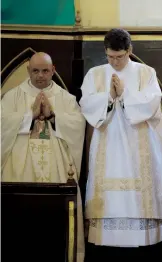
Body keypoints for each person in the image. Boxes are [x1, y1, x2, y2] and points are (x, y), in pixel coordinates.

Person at [79, 28, 162, 251]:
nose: (115, 62)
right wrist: (109, 97)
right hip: (108, 139)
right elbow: (86, 104)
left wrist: (124, 95)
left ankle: (142, 240)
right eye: (110, 57)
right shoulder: (95, 74)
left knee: (138, 197)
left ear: (129, 50)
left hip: (138, 142)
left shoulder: (146, 72)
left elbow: (152, 103)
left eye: (120, 57)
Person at [1, 52, 86, 262]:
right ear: (28, 71)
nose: (40, 76)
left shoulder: (66, 98)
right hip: (20, 168)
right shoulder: (12, 96)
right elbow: (1, 123)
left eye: (45, 71)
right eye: (36, 71)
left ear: (53, 70)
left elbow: (78, 124)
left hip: (57, 168)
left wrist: (53, 115)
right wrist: (27, 116)